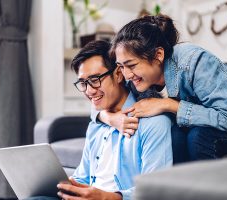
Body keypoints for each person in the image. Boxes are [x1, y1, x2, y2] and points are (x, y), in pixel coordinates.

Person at [97, 14, 227, 161]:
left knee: (198, 137)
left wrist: (169, 105)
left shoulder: (194, 61)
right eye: (121, 66)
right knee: (174, 136)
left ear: (158, 55)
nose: (127, 75)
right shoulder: (136, 78)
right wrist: (110, 118)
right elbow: (99, 98)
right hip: (220, 125)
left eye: (131, 65)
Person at [56, 40, 173, 200]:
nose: (89, 91)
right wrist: (68, 187)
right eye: (83, 83)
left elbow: (156, 191)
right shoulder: (97, 124)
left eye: (95, 79)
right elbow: (83, 177)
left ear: (118, 74)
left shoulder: (153, 123)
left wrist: (106, 197)